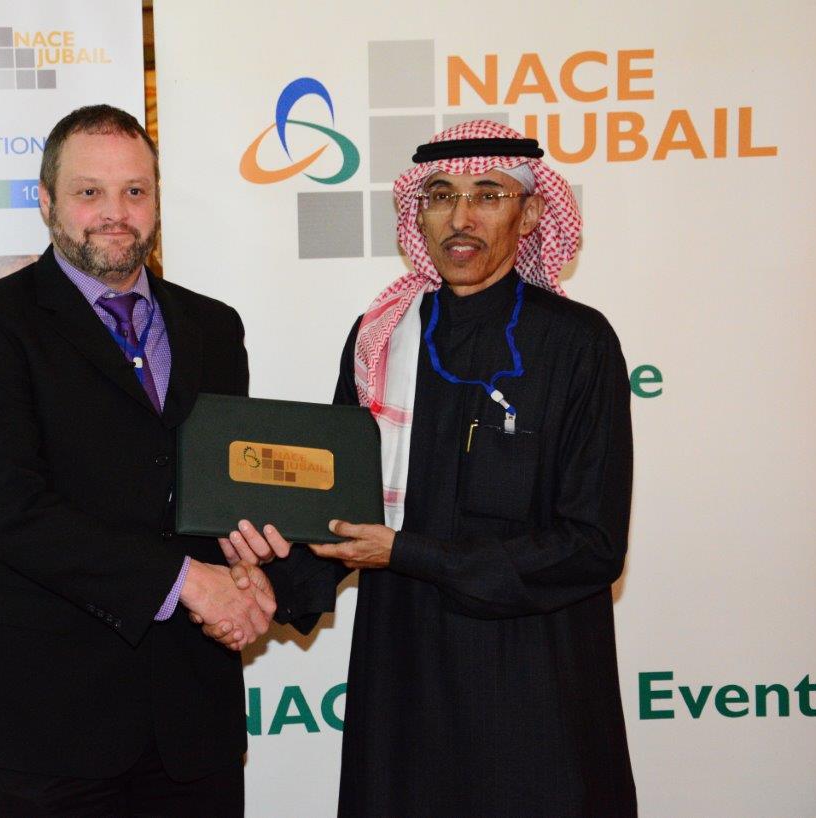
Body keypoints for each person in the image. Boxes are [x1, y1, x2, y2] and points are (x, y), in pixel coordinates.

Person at [219, 120, 637, 816]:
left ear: (533, 212)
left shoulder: (577, 343)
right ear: (418, 214)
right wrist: (265, 587)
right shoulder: (383, 337)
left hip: (532, 683)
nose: (460, 218)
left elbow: (591, 546)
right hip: (404, 676)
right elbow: (339, 510)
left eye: (488, 195)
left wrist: (408, 552)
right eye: (441, 196)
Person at [0, 105, 272, 817]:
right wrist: (188, 583)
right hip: (55, 729)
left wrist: (257, 578)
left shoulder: (214, 326)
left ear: (157, 200)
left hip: (195, 724)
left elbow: (224, 489)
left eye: (135, 191)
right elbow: (12, 511)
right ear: (47, 201)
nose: (116, 212)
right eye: (90, 192)